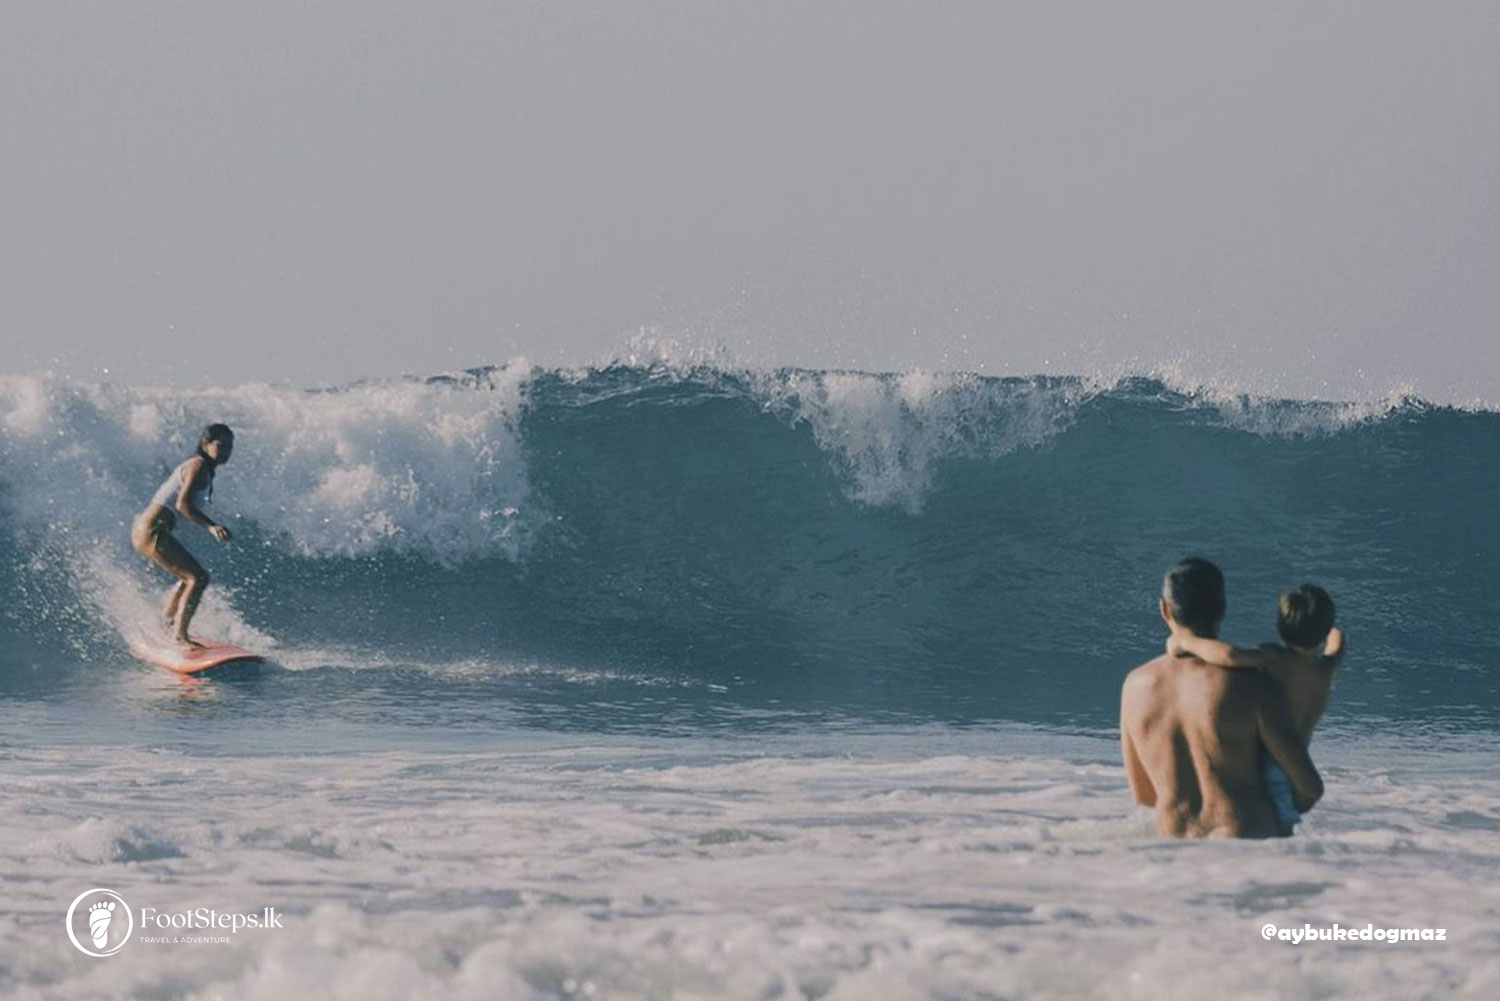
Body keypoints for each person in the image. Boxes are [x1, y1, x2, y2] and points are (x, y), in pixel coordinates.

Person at [1120, 558, 1323, 838]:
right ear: (1223, 609)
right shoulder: (1252, 684)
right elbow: (1309, 787)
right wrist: (1282, 813)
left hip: (1173, 847)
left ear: (1165, 610)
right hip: (1245, 845)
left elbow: (1143, 796)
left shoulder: (1134, 686)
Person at [1167, 584, 1346, 834]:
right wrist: (1331, 629)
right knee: (1281, 830)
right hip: (1297, 763)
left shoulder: (1276, 658)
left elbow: (1230, 655)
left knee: (1262, 827)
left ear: (1281, 627)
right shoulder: (1326, 669)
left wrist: (1188, 642)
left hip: (1269, 763)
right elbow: (1337, 645)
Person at [131, 424, 235, 648]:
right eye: (220, 445)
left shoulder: (204, 468)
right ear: (205, 444)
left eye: (230, 446)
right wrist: (211, 526)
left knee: (187, 578)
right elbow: (182, 504)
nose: (226, 451)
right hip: (151, 530)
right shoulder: (199, 466)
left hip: (148, 529)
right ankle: (180, 636)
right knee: (198, 578)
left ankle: (166, 625)